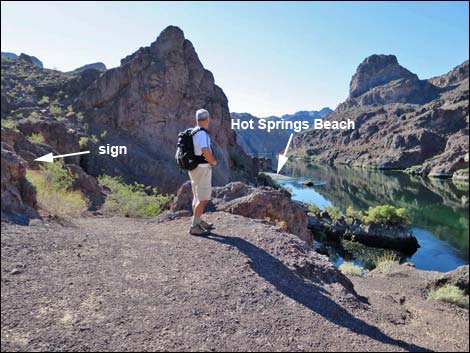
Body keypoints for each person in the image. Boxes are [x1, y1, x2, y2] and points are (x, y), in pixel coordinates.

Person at [189, 109, 217, 236]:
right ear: (206, 120)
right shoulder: (202, 133)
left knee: (196, 196)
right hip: (203, 167)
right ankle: (195, 226)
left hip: (194, 167)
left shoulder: (192, 132)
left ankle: (198, 220)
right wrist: (213, 161)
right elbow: (205, 150)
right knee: (204, 198)